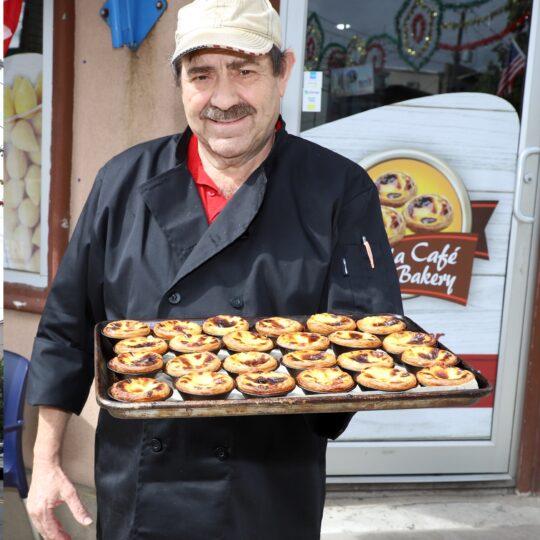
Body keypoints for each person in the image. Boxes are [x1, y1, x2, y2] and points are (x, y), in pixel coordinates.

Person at [26, 1, 403, 539]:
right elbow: (65, 328)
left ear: (283, 72)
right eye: (201, 75)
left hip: (266, 490)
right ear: (179, 83)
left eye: (245, 71)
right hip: (140, 484)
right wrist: (45, 462)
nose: (223, 99)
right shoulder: (123, 182)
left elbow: (367, 334)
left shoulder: (339, 190)